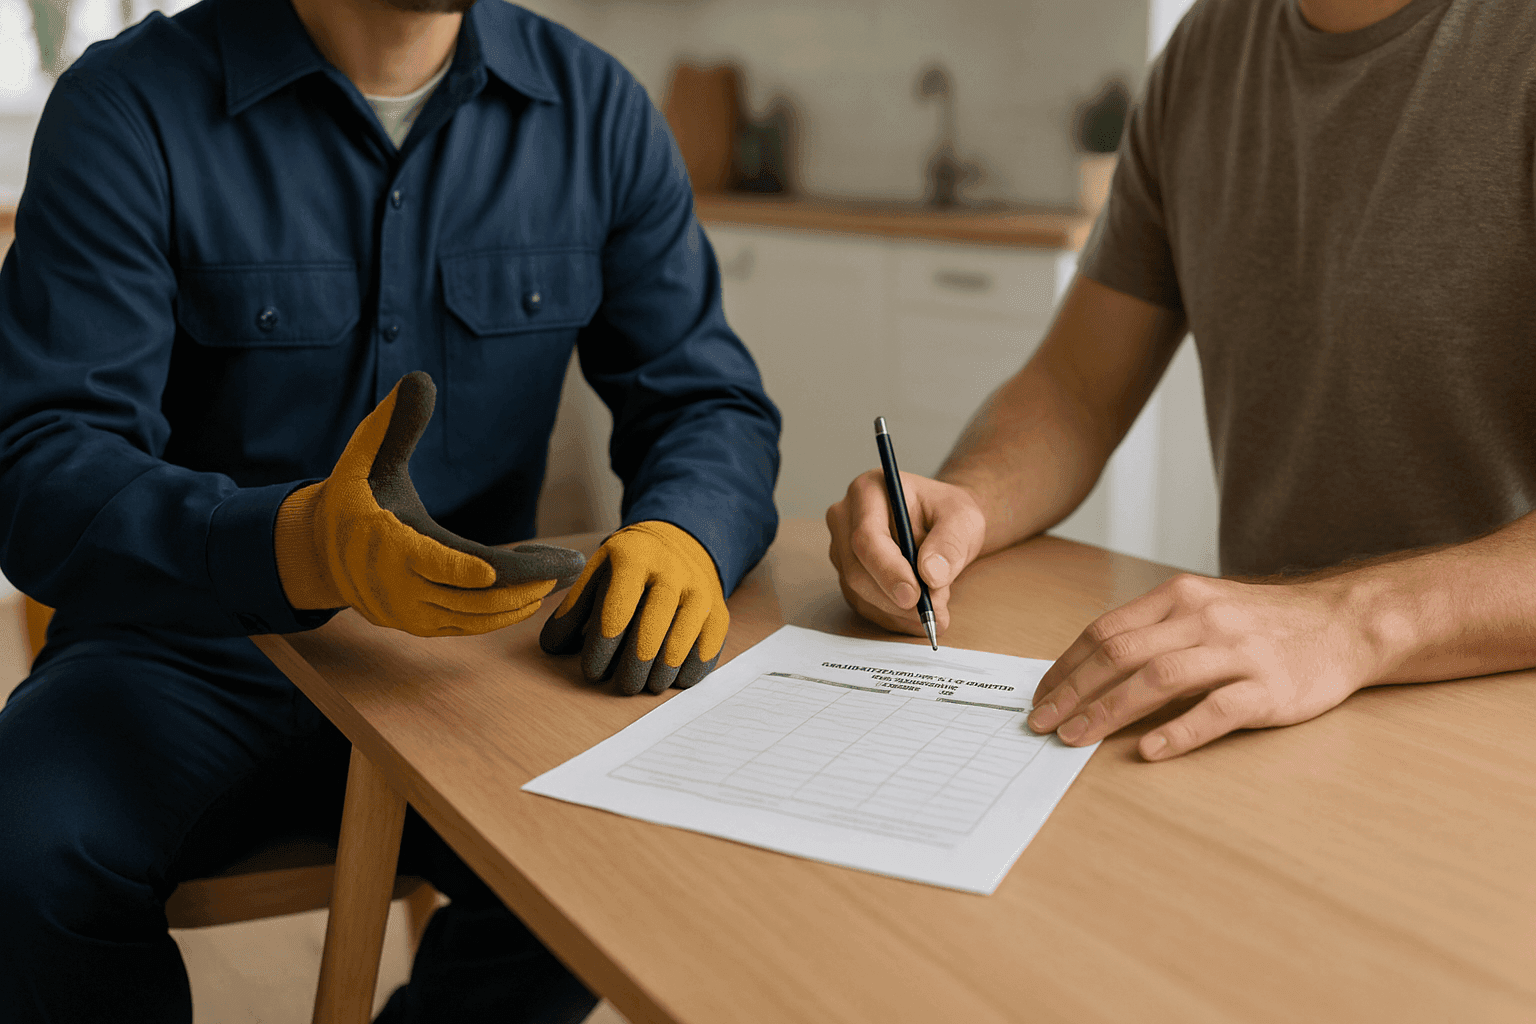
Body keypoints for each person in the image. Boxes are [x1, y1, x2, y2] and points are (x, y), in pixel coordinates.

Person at [0, 0, 780, 1020]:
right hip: (178, 652)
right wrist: (297, 546)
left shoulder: (596, 109)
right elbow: (42, 462)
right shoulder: (127, 106)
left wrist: (686, 529)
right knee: (22, 851)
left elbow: (706, 401)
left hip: (471, 663)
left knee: (624, 859)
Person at [827, 0, 1536, 763]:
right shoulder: (1209, 45)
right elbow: (1076, 388)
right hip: (1259, 712)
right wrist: (967, 501)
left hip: (1490, 724)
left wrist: (1345, 622)